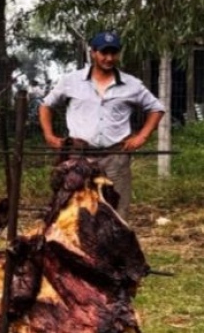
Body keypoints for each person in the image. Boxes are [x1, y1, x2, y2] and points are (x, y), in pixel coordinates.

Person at [38, 30, 165, 218]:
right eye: (104, 53)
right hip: (78, 157)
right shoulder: (71, 81)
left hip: (115, 157)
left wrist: (142, 136)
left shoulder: (132, 84)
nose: (108, 58)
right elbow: (46, 105)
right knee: (73, 211)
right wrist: (49, 135)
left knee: (116, 212)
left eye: (113, 53)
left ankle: (113, 246)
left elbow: (156, 108)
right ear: (93, 53)